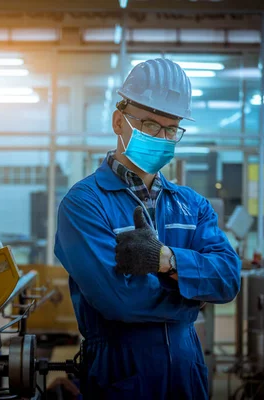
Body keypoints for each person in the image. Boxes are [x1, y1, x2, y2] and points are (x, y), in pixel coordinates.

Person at [54, 58, 241, 399]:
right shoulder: (84, 204)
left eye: (171, 129)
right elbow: (120, 302)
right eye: (151, 126)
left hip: (187, 369)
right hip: (122, 369)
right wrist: (192, 300)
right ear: (118, 122)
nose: (163, 137)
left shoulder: (192, 204)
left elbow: (228, 279)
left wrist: (167, 260)